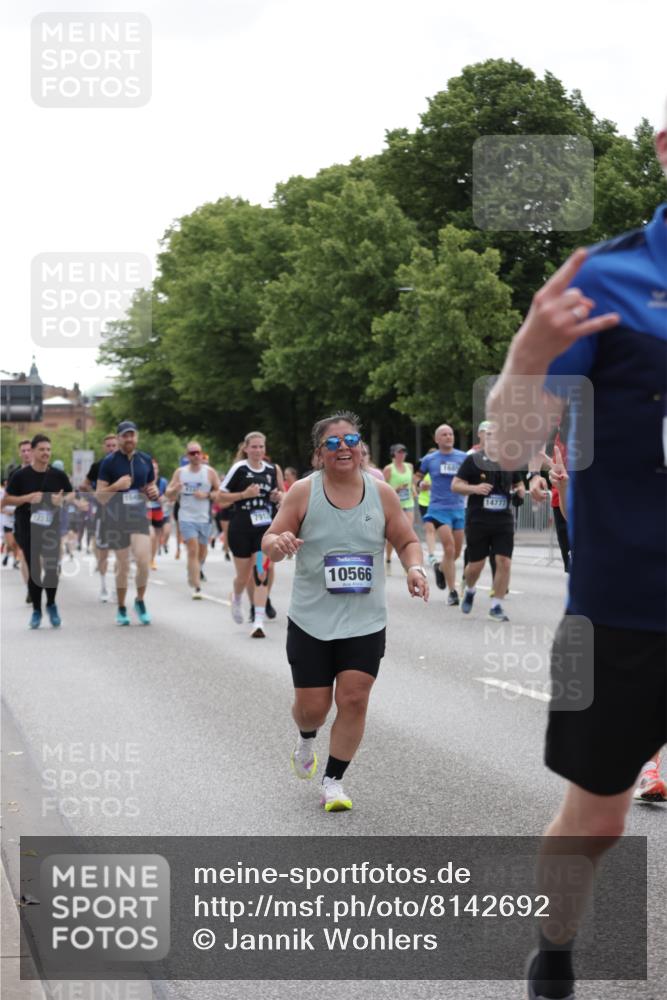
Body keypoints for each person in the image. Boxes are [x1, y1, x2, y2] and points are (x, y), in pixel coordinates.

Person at [486, 111, 667, 1000]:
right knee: (596, 815)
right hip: (626, 604)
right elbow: (513, 451)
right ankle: (553, 943)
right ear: (666, 146)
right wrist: (528, 353)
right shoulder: (605, 278)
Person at [262, 411, 429, 812]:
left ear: (362, 448)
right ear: (319, 453)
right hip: (312, 619)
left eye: (351, 440)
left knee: (354, 698)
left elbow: (407, 539)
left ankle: (333, 781)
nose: (344, 448)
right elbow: (269, 539)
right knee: (313, 709)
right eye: (333, 443)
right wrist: (279, 542)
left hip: (364, 619)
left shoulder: (381, 492)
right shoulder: (303, 492)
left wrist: (415, 568)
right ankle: (306, 737)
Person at [451, 426, 525, 622]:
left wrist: (519, 490)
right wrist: (475, 488)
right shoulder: (473, 460)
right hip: (478, 520)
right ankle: (470, 589)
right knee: (476, 565)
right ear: (485, 439)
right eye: (491, 436)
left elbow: (519, 483)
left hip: (503, 520)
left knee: (504, 562)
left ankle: (496, 605)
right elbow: (456, 485)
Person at [2, 435, 73, 628]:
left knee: (51, 568)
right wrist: (27, 497)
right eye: (42, 449)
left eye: (48, 449)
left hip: (50, 527)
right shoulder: (20, 476)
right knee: (34, 568)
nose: (46, 453)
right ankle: (36, 610)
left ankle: (51, 603)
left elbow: (71, 494)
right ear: (32, 451)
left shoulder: (58, 475)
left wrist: (62, 501)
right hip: (27, 528)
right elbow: (5, 502)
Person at [220, 432, 283, 637]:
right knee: (243, 576)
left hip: (263, 530)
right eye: (254, 447)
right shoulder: (239, 469)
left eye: (261, 447)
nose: (258, 451)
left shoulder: (272, 470)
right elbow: (220, 498)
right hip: (240, 528)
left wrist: (278, 496)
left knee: (261, 572)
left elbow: (281, 496)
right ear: (246, 448)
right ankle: (237, 597)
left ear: (265, 449)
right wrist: (243, 495)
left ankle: (258, 621)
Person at [96, 421, 158, 625]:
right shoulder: (109, 462)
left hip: (139, 518)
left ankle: (140, 601)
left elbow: (150, 488)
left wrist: (154, 492)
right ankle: (121, 607)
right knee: (122, 566)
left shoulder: (145, 460)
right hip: (116, 520)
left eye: (132, 435)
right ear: (118, 438)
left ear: (136, 437)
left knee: (142, 561)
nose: (129, 439)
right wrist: (117, 486)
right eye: (125, 436)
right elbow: (100, 496)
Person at [415, 424, 467, 605]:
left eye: (451, 434)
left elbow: (472, 477)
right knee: (449, 548)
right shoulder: (430, 459)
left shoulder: (463, 457)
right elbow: (416, 477)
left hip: (459, 508)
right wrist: (420, 484)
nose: (448, 437)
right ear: (437, 439)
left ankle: (440, 568)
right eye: (444, 434)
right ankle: (453, 592)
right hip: (438, 509)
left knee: (457, 552)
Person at [165, 443, 220, 599]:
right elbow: (168, 493)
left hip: (204, 518)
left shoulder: (209, 473)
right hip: (186, 517)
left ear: (202, 454)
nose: (196, 455)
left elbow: (219, 492)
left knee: (202, 552)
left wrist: (207, 495)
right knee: (193, 549)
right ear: (187, 456)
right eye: (192, 453)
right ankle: (197, 587)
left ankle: (195, 569)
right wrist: (175, 489)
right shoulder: (180, 473)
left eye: (198, 452)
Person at [80, 433, 117, 602]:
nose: (111, 448)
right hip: (103, 513)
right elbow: (83, 485)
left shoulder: (127, 465)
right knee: (103, 552)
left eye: (113, 445)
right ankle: (103, 586)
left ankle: (118, 587)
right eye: (108, 445)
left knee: (123, 553)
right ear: (104, 448)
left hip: (124, 515)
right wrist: (94, 494)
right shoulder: (98, 466)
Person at [382, 444, 415, 566]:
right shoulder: (389, 469)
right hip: (394, 505)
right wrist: (396, 489)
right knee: (393, 534)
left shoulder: (409, 466)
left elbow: (411, 483)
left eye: (404, 452)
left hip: (408, 502)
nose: (402, 455)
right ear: (393, 454)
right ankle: (389, 556)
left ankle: (407, 559)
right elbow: (383, 487)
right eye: (399, 452)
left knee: (408, 530)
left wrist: (414, 490)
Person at [147, 459, 169, 570]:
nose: (153, 470)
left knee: (155, 537)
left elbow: (167, 497)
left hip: (158, 511)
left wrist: (162, 499)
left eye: (155, 468)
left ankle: (152, 559)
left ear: (158, 470)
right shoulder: (143, 480)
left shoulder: (163, 482)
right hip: (146, 510)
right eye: (151, 468)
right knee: (150, 535)